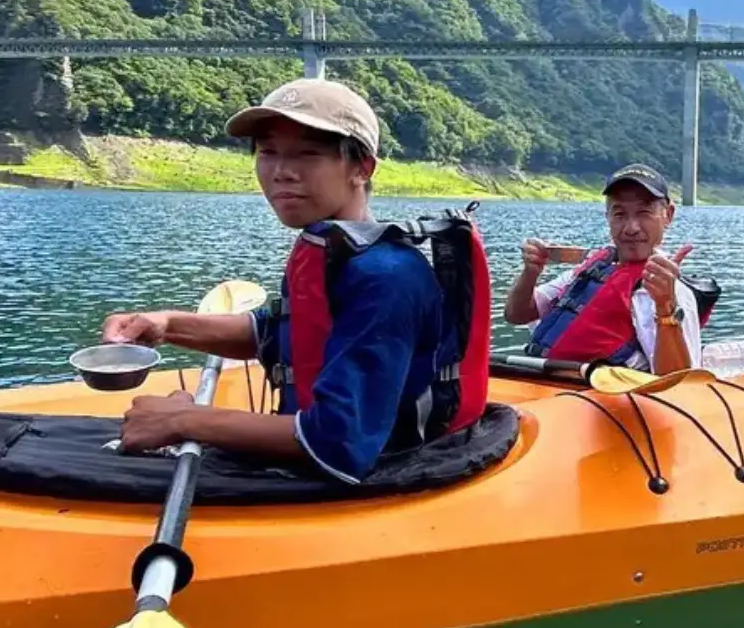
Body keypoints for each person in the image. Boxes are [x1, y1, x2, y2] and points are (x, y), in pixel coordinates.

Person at [102, 79, 488, 481]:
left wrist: (185, 419)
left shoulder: (386, 277)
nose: (282, 172)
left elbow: (336, 443)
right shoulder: (334, 250)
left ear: (362, 168)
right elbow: (277, 331)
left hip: (362, 482)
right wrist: (165, 325)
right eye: (268, 153)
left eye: (307, 154)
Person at [504, 164, 702, 375]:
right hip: (540, 384)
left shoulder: (678, 293)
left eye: (644, 213)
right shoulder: (592, 266)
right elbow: (517, 314)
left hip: (604, 399)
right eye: (619, 214)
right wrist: (530, 273)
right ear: (607, 216)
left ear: (668, 215)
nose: (631, 228)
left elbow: (679, 383)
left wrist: (665, 306)